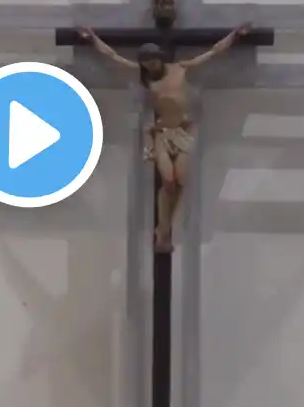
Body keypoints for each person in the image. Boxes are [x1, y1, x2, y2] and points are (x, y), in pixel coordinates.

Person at [77, 23, 252, 253]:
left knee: (180, 180)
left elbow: (213, 52)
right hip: (161, 131)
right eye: (146, 63)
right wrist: (92, 38)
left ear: (160, 58)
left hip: (185, 130)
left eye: (153, 61)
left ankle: (164, 229)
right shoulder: (145, 77)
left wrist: (235, 35)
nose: (151, 66)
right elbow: (112, 56)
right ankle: (163, 229)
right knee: (168, 180)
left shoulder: (180, 68)